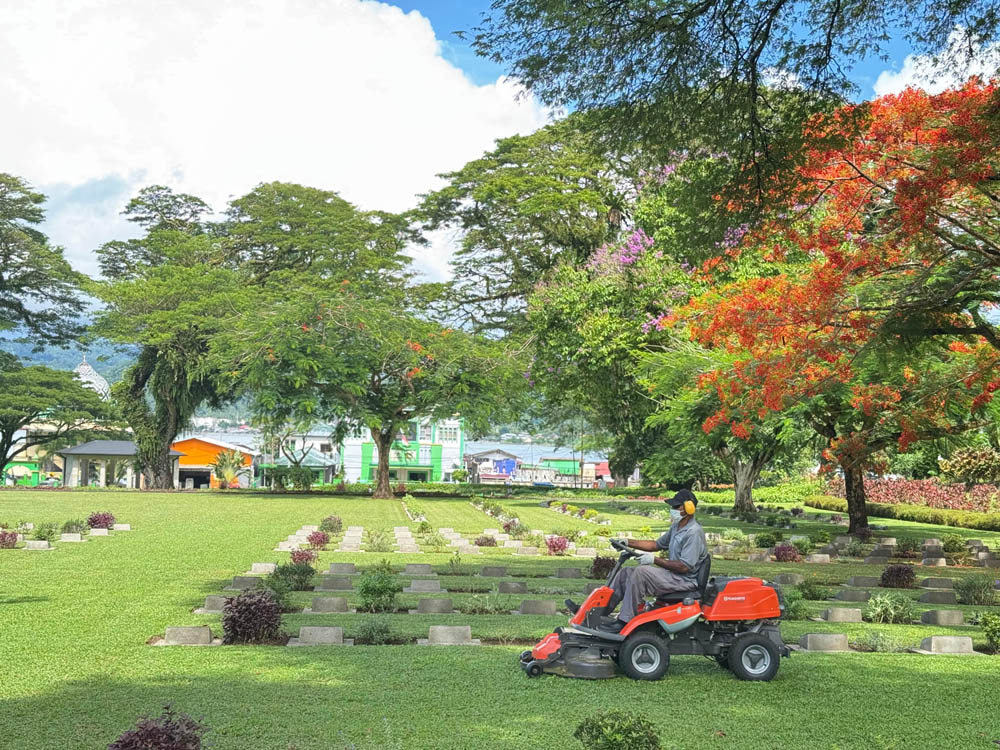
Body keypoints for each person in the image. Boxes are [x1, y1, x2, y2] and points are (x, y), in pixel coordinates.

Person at [568, 489, 707, 633]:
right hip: (673, 576)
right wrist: (628, 542)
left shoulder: (693, 532)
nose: (672, 509)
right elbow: (655, 545)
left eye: (675, 507)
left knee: (641, 572)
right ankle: (595, 613)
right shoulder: (677, 527)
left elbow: (684, 567)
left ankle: (624, 621)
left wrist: (654, 560)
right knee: (625, 573)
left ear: (688, 508)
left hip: (684, 581)